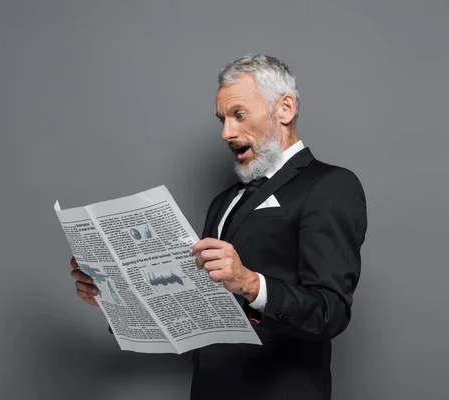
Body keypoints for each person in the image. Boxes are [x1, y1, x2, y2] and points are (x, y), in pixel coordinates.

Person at [70, 54, 367, 400]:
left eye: (239, 115)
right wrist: (114, 297)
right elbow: (196, 310)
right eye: (222, 119)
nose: (227, 133)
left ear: (284, 109)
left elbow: (330, 313)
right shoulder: (223, 202)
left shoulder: (330, 185)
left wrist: (250, 283)